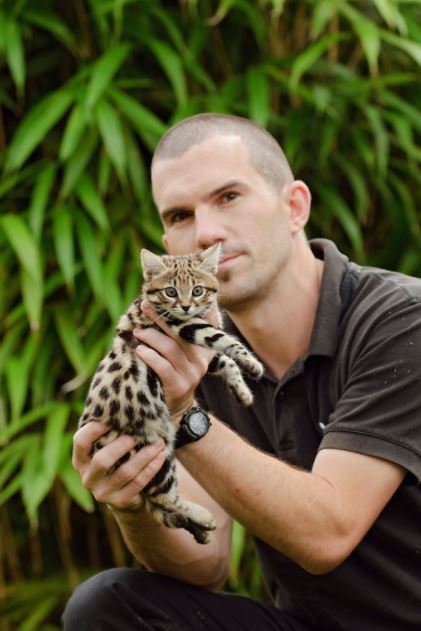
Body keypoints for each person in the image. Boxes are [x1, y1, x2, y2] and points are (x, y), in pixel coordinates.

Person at [64, 114, 421, 630]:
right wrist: (133, 494)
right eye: (181, 215)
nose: (207, 231)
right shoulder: (191, 356)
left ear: (294, 206)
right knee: (108, 605)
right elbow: (204, 567)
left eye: (228, 196)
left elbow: (328, 534)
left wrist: (185, 418)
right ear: (168, 248)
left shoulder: (400, 318)